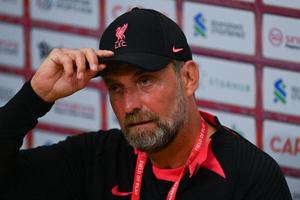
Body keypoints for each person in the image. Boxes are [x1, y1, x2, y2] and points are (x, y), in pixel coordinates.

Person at [0, 8, 292, 200]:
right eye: (116, 87)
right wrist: (36, 96)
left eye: (145, 81)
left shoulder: (250, 177)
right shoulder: (97, 158)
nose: (129, 106)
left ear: (188, 78)